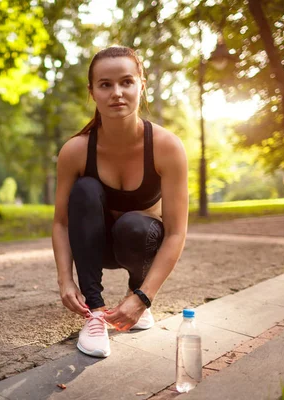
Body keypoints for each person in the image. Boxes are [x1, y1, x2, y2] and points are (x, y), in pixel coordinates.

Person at [52, 45, 188, 358]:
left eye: (126, 82)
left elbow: (176, 233)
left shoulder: (167, 147)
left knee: (135, 225)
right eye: (105, 84)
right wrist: (65, 282)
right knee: (85, 189)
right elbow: (60, 222)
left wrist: (144, 296)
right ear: (92, 92)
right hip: (93, 246)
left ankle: (132, 294)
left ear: (142, 85)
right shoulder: (75, 151)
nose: (117, 93)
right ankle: (96, 313)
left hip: (138, 245)